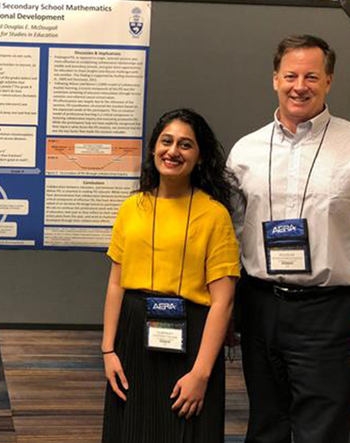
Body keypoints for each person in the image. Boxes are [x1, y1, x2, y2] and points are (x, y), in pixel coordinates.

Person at [227, 35, 350, 443]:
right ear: (275, 79)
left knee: (323, 428)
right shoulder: (245, 150)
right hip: (260, 305)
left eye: (312, 76)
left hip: (328, 312)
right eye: (291, 75)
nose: (300, 85)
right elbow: (234, 229)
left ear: (329, 81)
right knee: (266, 423)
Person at [101, 108, 240, 443]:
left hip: (192, 340)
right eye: (166, 141)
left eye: (185, 145)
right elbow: (116, 283)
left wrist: (202, 373)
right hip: (133, 335)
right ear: (153, 149)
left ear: (200, 157)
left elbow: (223, 301)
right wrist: (108, 350)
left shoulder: (214, 215)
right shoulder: (131, 208)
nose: (173, 151)